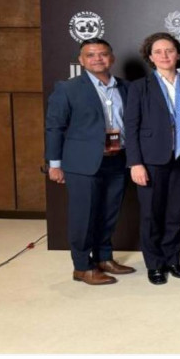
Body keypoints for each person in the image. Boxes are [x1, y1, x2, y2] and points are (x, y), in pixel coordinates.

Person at [45, 38, 136, 285]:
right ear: (81, 60)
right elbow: (54, 127)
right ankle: (82, 267)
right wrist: (55, 165)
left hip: (117, 159)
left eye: (103, 54)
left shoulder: (126, 87)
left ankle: (104, 258)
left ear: (111, 58)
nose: (97, 59)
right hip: (82, 163)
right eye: (91, 55)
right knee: (83, 216)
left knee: (109, 213)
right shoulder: (68, 88)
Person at [124, 33, 180, 285]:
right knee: (151, 215)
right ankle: (154, 264)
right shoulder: (139, 87)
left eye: (169, 50)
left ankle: (172, 260)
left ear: (178, 54)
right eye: (158, 51)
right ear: (150, 57)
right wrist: (135, 163)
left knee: (174, 214)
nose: (164, 55)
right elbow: (131, 127)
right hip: (150, 161)